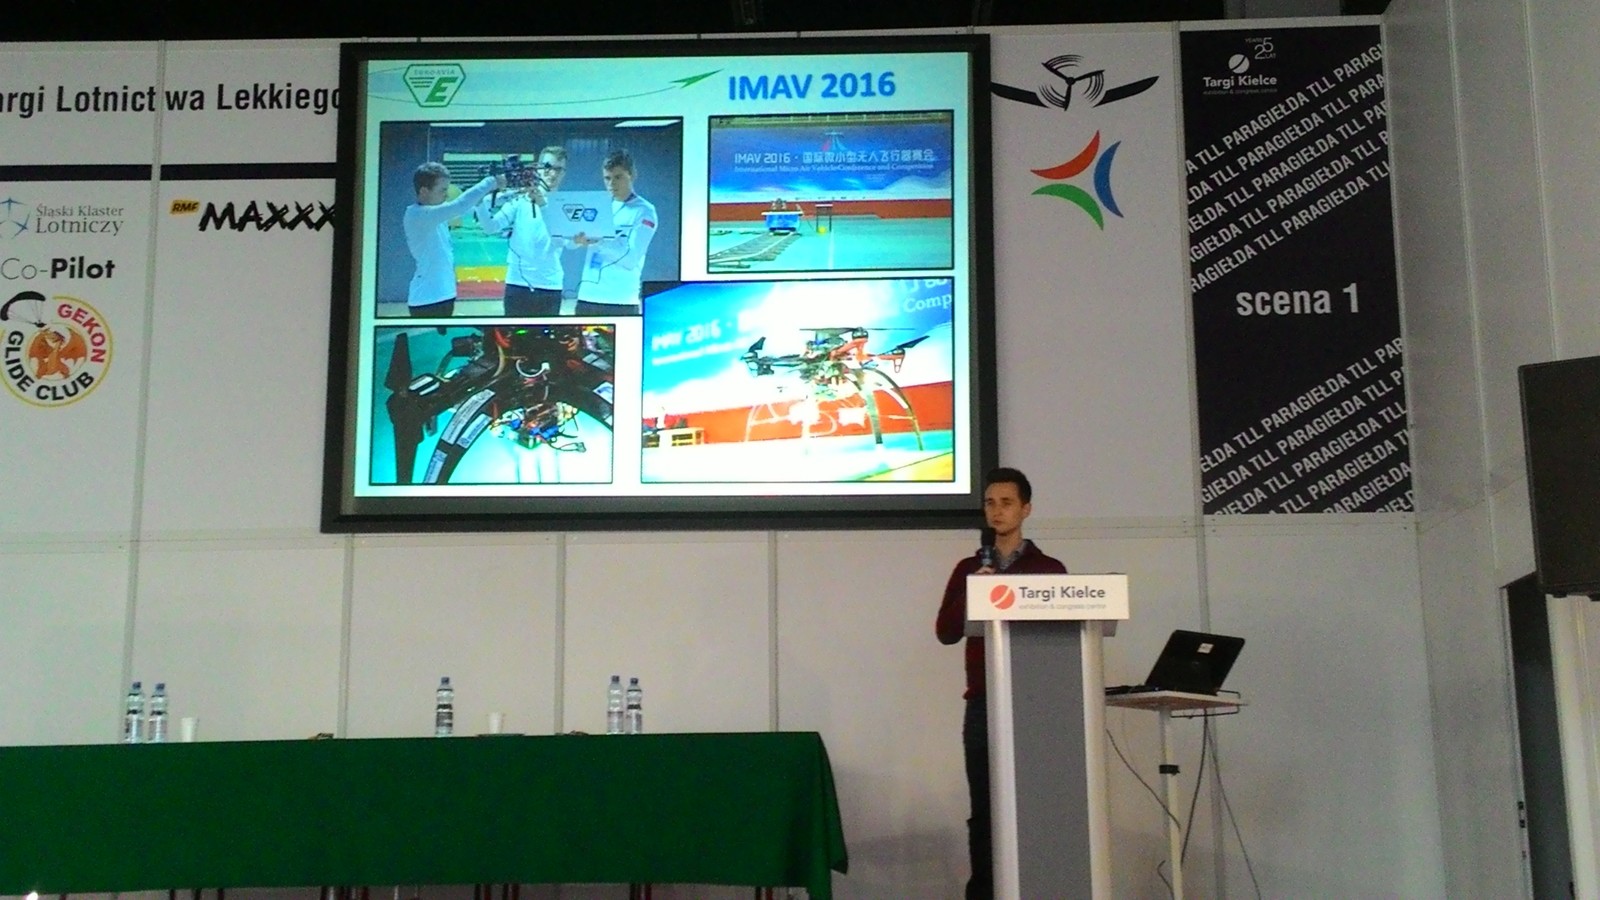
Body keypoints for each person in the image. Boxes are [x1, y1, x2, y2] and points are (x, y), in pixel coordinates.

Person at [934, 467, 1068, 900]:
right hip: (984, 703)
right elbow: (945, 632)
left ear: (1026, 509)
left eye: (1007, 503)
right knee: (985, 811)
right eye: (990, 503)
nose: (997, 511)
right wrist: (972, 591)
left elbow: (1061, 638)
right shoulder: (969, 568)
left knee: (1036, 806)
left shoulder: (1049, 569)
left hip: (1034, 702)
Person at [475, 146, 570, 317]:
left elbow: (561, 241)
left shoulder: (566, 204)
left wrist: (543, 205)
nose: (552, 174)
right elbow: (491, 227)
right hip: (516, 283)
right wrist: (479, 202)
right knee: (512, 334)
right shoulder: (520, 199)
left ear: (564, 173)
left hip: (549, 285)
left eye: (558, 169)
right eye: (547, 167)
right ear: (537, 169)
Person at [404, 162, 504, 317]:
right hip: (426, 301)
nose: (446, 195)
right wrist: (491, 182)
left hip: (445, 295)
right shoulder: (417, 215)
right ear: (424, 191)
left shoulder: (435, 213)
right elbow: (459, 206)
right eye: (442, 190)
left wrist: (513, 195)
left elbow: (470, 205)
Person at [573, 148, 658, 316]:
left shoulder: (645, 211)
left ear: (632, 175)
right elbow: (575, 243)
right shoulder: (599, 206)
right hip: (587, 297)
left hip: (620, 299)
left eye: (618, 177)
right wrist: (577, 241)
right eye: (607, 178)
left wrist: (599, 242)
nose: (612, 184)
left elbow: (631, 259)